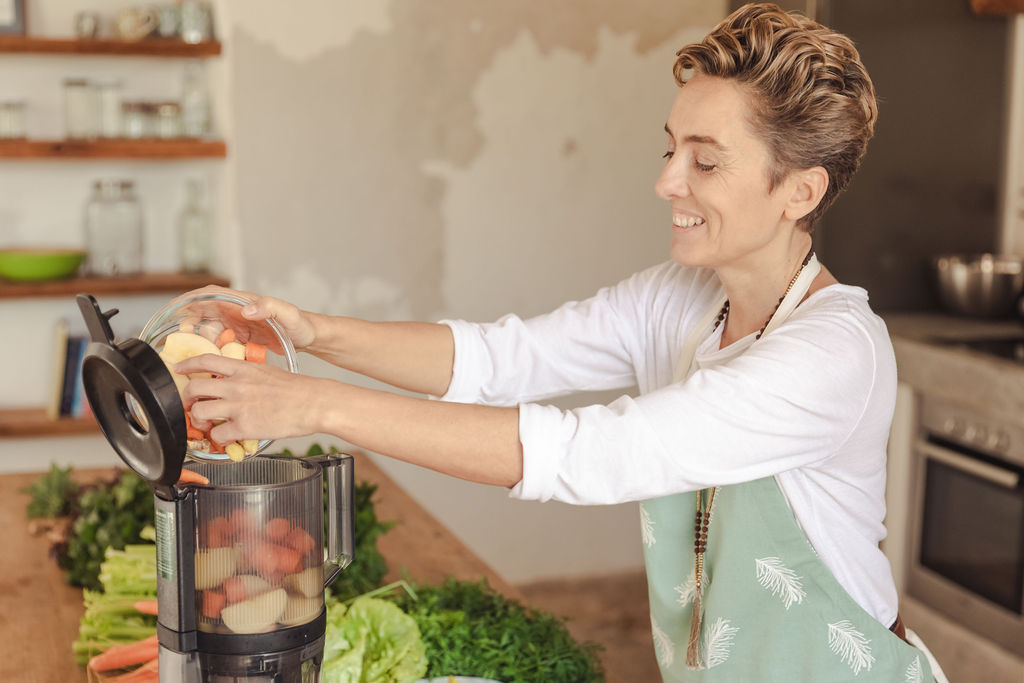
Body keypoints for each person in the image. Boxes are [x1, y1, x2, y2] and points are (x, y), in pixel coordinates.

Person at [175, 4, 947, 680]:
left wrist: (314, 404)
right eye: (671, 147)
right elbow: (497, 358)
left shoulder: (832, 354)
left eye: (706, 160)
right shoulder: (680, 299)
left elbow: (585, 452)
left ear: (800, 192)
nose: (669, 180)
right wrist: (309, 334)